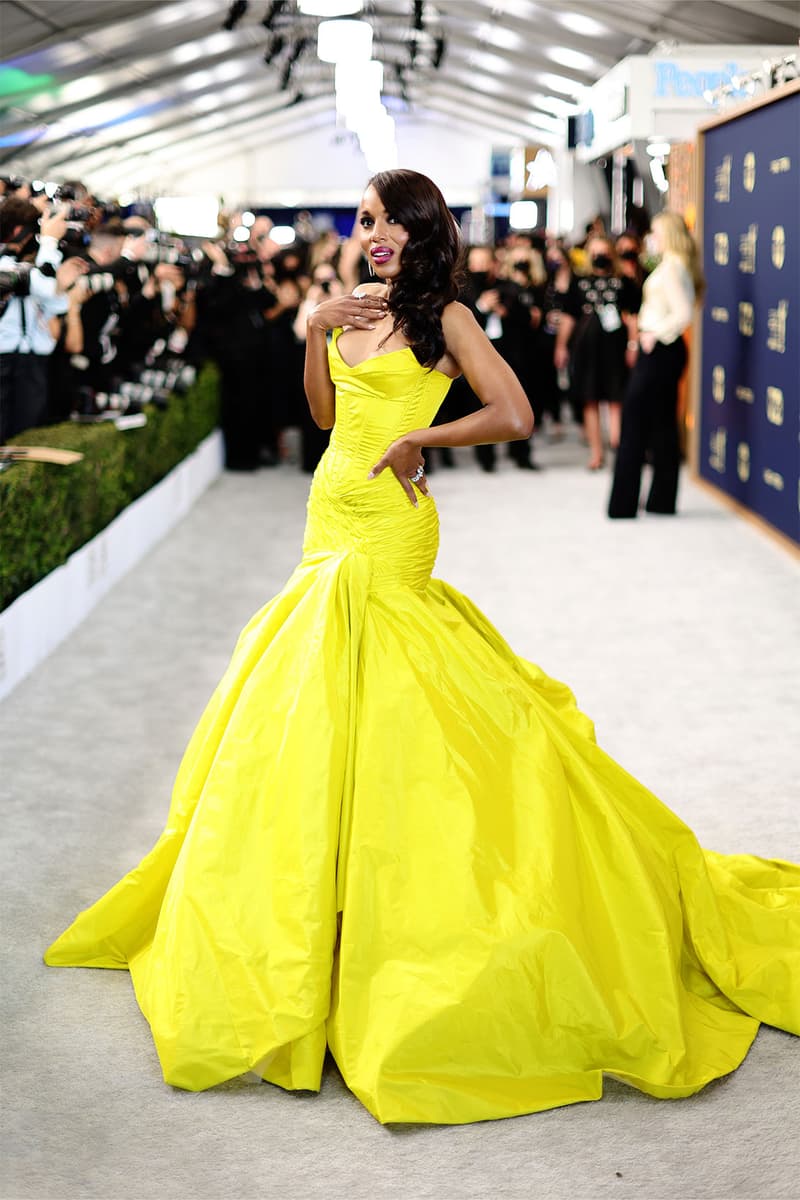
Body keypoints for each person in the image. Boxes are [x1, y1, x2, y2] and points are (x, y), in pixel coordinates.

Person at [44, 170, 798, 1127]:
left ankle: (399, 921)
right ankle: (326, 912)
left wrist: (421, 441)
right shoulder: (344, 307)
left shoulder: (447, 317)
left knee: (410, 715)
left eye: (389, 220)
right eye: (363, 221)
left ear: (421, 229)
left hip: (394, 532)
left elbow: (516, 413)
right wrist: (314, 331)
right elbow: (321, 418)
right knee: (313, 707)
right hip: (329, 515)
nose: (374, 234)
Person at [608, 212, 703, 518]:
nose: (652, 237)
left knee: (636, 423)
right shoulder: (673, 265)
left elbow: (684, 312)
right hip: (664, 351)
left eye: (657, 232)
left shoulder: (673, 268)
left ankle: (625, 504)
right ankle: (659, 502)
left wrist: (654, 336)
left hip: (661, 351)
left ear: (669, 234)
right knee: (661, 426)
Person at [555, 236, 641, 470]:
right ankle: (596, 453)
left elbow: (633, 316)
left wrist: (633, 344)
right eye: (595, 253)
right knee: (590, 400)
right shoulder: (578, 282)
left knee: (617, 399)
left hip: (615, 348)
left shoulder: (623, 283)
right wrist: (561, 346)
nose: (599, 257)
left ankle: (618, 446)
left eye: (603, 252)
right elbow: (568, 318)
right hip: (586, 349)